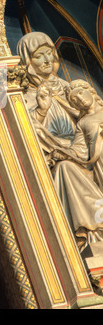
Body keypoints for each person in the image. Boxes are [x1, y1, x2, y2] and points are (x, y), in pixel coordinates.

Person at [49, 79, 103, 251]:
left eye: (80, 93)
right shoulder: (83, 123)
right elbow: (79, 151)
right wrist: (60, 153)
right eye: (73, 100)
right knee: (64, 167)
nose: (79, 99)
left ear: (90, 90)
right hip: (99, 162)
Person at [17, 32, 78, 153]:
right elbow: (25, 131)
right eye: (39, 56)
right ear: (27, 61)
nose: (47, 60)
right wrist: (41, 110)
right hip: (54, 151)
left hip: (81, 145)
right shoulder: (25, 95)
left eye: (49, 53)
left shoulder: (67, 87)